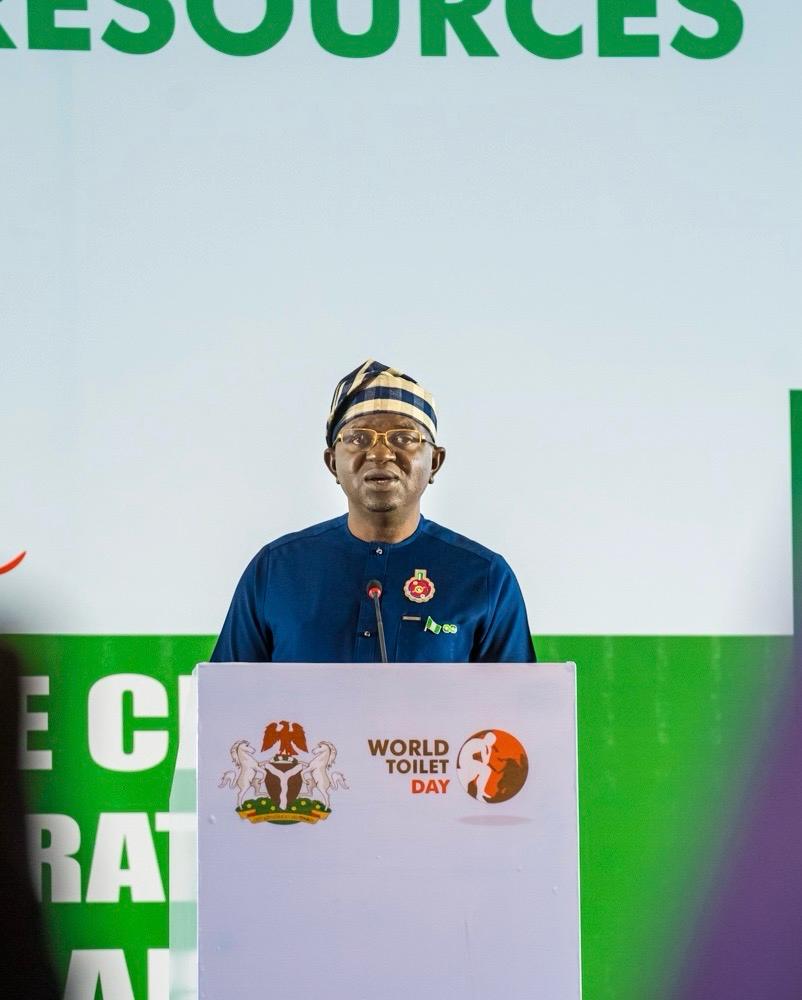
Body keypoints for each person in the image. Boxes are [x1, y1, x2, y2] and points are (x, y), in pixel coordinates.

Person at [211, 360, 535, 663]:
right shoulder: (277, 569)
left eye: (404, 438)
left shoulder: (485, 576)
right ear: (332, 463)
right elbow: (227, 697)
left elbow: (515, 703)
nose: (380, 454)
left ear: (435, 462)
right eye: (358, 438)